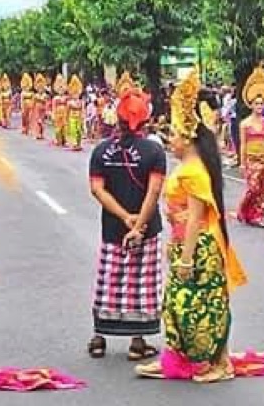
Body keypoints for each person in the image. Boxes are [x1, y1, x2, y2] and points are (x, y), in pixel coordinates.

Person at [134, 68, 247, 382]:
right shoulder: (186, 166)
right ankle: (175, 360)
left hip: (199, 248)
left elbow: (197, 217)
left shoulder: (195, 171)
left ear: (187, 137)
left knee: (204, 306)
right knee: (175, 304)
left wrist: (186, 258)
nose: (169, 139)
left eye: (173, 134)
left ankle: (219, 364)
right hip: (182, 243)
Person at [88, 72, 166, 361]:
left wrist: (124, 218)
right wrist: (139, 223)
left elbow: (97, 189)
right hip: (147, 228)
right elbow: (154, 191)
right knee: (141, 283)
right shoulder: (154, 151)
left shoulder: (101, 150)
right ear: (145, 120)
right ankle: (137, 342)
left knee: (109, 279)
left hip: (112, 227)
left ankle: (99, 339)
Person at [235, 66, 264, 227]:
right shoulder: (245, 124)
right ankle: (244, 210)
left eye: (262, 104)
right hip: (251, 159)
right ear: (251, 105)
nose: (259, 106)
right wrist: (242, 163)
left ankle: (257, 216)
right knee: (253, 188)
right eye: (257, 104)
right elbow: (243, 144)